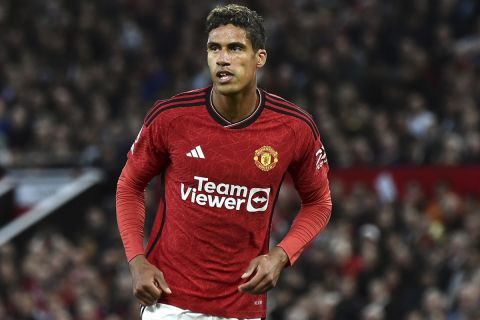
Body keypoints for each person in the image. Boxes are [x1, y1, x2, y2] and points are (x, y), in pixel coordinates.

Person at [116, 4, 332, 320]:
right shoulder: (172, 117)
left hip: (243, 306)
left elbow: (319, 203)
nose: (222, 58)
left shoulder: (294, 128)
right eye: (214, 48)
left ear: (260, 58)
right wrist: (136, 260)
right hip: (170, 302)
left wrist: (281, 256)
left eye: (235, 48)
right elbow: (129, 185)